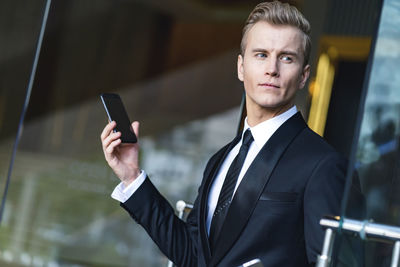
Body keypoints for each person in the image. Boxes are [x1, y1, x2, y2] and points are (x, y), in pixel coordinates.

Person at [101, 1, 347, 266]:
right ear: (241, 67)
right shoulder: (221, 159)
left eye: (287, 57)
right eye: (261, 54)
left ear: (303, 76)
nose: (272, 69)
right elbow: (191, 256)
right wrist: (132, 177)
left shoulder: (323, 165)